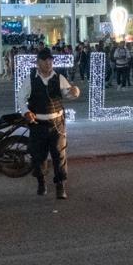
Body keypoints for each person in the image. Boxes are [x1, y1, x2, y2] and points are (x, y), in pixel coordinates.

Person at [25, 46, 81, 199]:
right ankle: (41, 182)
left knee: (59, 155)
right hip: (38, 124)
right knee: (38, 157)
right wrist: (25, 112)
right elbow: (20, 99)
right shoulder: (30, 80)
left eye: (50, 60)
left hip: (56, 123)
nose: (48, 63)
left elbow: (68, 94)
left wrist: (74, 92)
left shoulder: (59, 78)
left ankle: (60, 186)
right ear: (38, 63)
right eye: (45, 61)